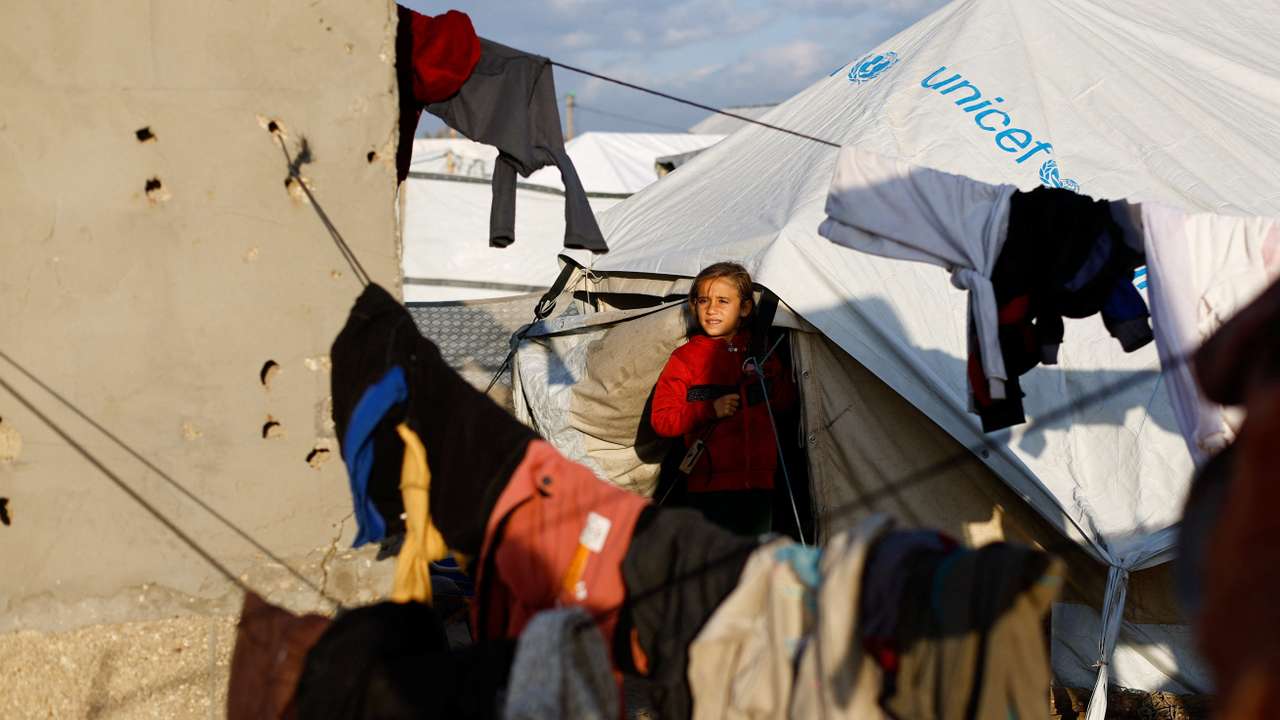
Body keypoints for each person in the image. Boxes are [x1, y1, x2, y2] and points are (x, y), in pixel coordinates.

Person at [650, 262, 795, 536]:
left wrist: (770, 380)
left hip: (760, 485)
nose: (711, 309)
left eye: (723, 301)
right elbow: (662, 419)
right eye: (703, 300)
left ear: (745, 308)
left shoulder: (762, 350)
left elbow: (786, 404)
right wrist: (708, 410)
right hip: (709, 488)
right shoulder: (685, 359)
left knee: (752, 562)